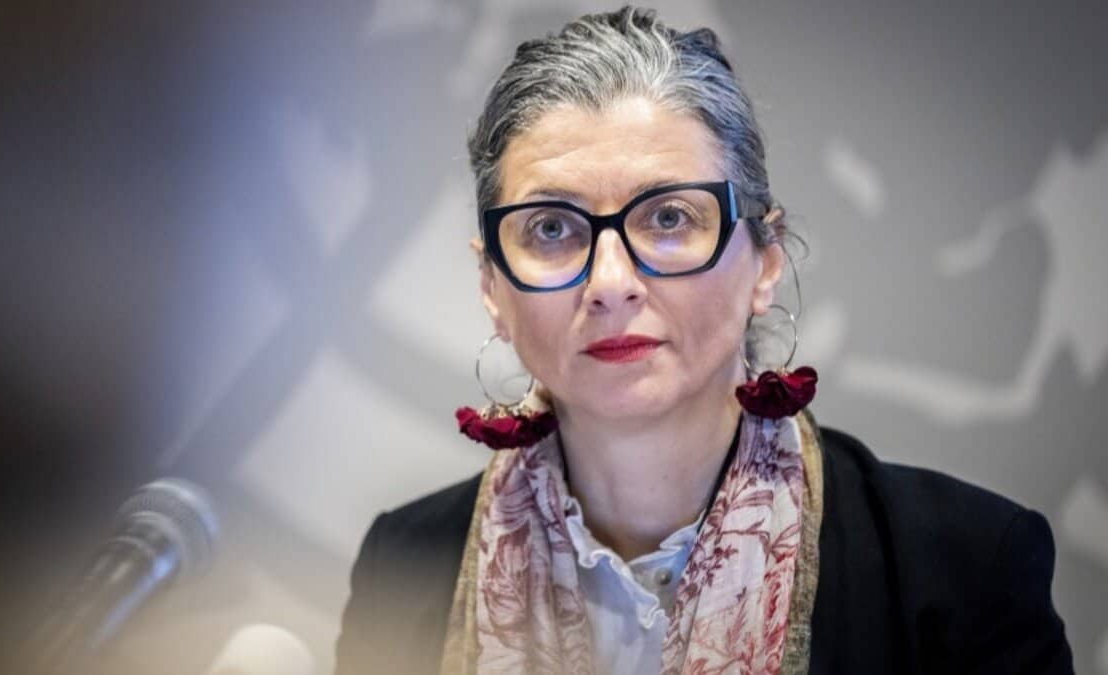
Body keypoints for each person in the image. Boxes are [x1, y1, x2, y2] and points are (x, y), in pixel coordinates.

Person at [335, 7, 1074, 674]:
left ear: (765, 261)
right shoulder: (403, 566)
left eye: (667, 219)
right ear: (493, 287)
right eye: (552, 229)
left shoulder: (968, 568)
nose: (611, 282)